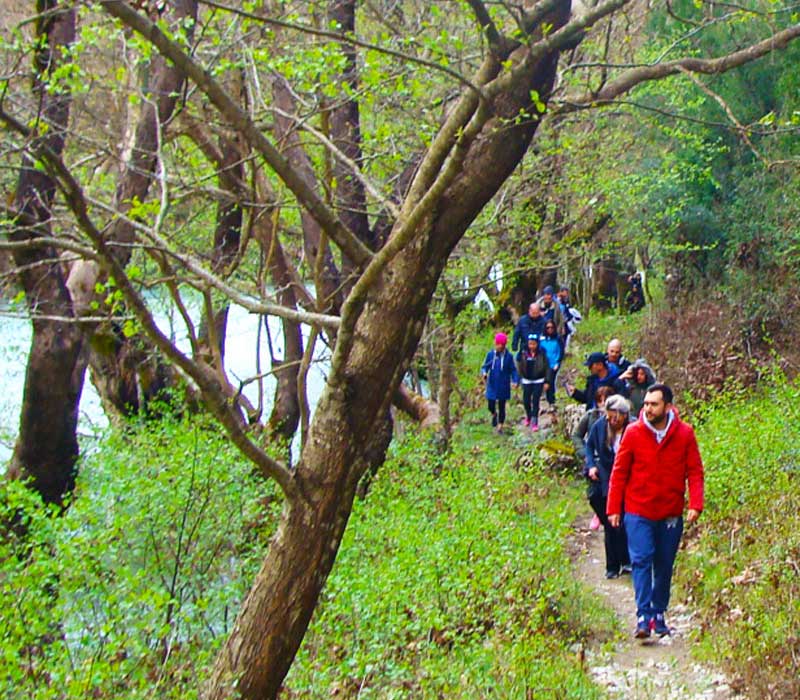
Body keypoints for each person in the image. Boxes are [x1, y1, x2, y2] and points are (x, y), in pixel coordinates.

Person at [607, 383, 704, 639]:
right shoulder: (633, 433)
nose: (648, 408)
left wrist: (696, 503)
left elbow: (694, 470)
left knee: (664, 563)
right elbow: (619, 472)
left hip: (670, 512)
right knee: (641, 559)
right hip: (638, 510)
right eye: (646, 404)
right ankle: (643, 614)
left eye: (654, 404)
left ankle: (659, 613)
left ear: (668, 406)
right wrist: (613, 507)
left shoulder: (685, 434)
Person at [585, 395, 632, 579]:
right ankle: (612, 566)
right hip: (606, 479)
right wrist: (591, 466)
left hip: (627, 480)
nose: (612, 420)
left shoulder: (633, 428)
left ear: (624, 415)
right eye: (610, 416)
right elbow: (589, 447)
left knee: (625, 522)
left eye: (616, 417)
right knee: (611, 523)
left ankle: (626, 561)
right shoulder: (600, 426)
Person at [481, 332, 519, 434]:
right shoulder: (491, 355)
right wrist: (484, 373)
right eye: (498, 344)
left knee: (502, 406)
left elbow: (513, 370)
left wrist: (515, 380)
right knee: (491, 404)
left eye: (502, 344)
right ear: (495, 344)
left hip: (504, 384)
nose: (500, 346)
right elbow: (485, 366)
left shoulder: (509, 357)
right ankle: (494, 414)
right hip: (492, 384)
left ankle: (500, 426)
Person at [571, 385, 615, 462]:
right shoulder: (590, 415)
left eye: (606, 400)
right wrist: (584, 453)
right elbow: (576, 435)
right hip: (594, 457)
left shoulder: (618, 417)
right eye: (600, 401)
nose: (603, 404)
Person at [515, 334, 549, 432]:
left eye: (534, 344)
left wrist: (547, 381)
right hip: (526, 380)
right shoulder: (523, 353)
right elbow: (519, 366)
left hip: (539, 380)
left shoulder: (542, 353)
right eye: (530, 344)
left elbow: (547, 367)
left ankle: (535, 420)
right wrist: (518, 379)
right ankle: (528, 416)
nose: (532, 346)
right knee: (526, 400)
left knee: (535, 400)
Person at [539, 320, 564, 412]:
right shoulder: (541, 339)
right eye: (548, 327)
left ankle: (551, 401)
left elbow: (561, 352)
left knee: (550, 382)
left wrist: (558, 363)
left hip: (553, 364)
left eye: (552, 327)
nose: (550, 329)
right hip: (543, 365)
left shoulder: (558, 339)